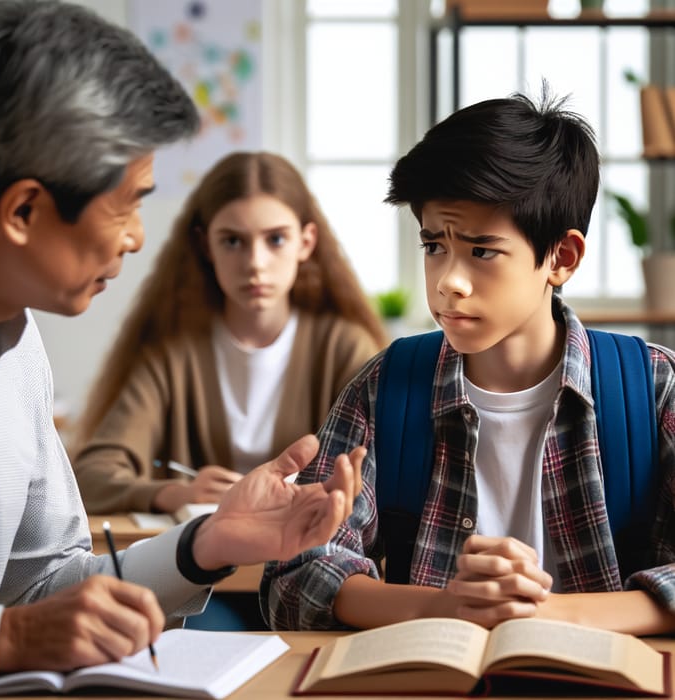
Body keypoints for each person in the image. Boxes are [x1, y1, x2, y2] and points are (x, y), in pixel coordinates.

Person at [0, 0, 364, 680]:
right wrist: (7, 643)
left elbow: (43, 591)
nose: (136, 237)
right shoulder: (168, 354)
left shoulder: (17, 348)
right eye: (127, 202)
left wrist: (209, 542)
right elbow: (19, 624)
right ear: (25, 211)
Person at [261, 89, 675, 636]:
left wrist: (546, 615)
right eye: (434, 245)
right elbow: (293, 572)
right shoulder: (386, 386)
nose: (448, 282)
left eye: (482, 251)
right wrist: (449, 607)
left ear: (561, 257)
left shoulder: (651, 386)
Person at [71, 150, 386, 516]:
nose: (255, 262)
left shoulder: (344, 348)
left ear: (306, 242)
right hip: (201, 564)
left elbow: (386, 477)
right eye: (233, 241)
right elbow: (90, 477)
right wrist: (177, 493)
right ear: (206, 246)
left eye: (276, 239)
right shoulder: (174, 354)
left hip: (309, 562)